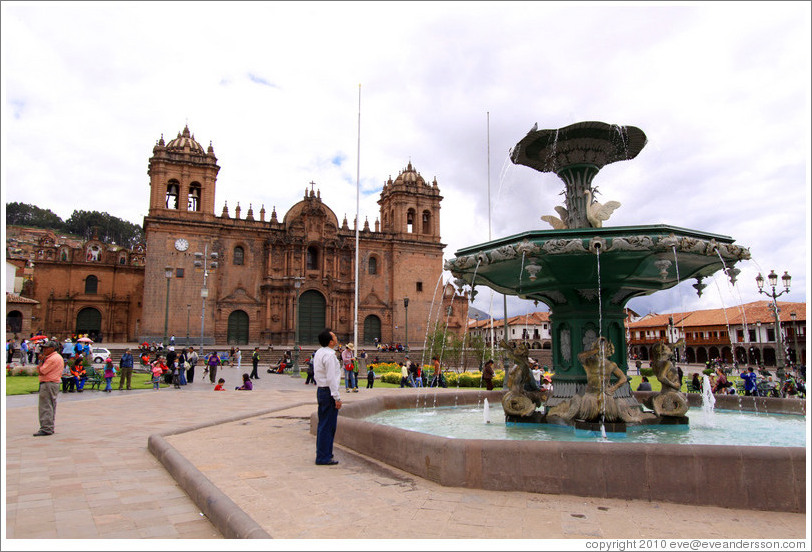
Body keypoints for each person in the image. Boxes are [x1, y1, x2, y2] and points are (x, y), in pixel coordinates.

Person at [314, 328, 342, 466]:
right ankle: (323, 457)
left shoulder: (319, 353)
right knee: (328, 426)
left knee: (323, 425)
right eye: (334, 337)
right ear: (331, 342)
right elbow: (331, 378)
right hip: (328, 392)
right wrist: (336, 397)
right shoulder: (330, 356)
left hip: (321, 390)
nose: (336, 338)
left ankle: (323, 454)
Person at [34, 339, 64, 436]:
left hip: (48, 383)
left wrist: (41, 361)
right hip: (53, 383)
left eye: (46, 348)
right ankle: (49, 427)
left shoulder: (52, 358)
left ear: (52, 348)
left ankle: (46, 428)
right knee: (50, 405)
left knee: (45, 406)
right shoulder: (57, 357)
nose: (44, 350)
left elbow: (42, 371)